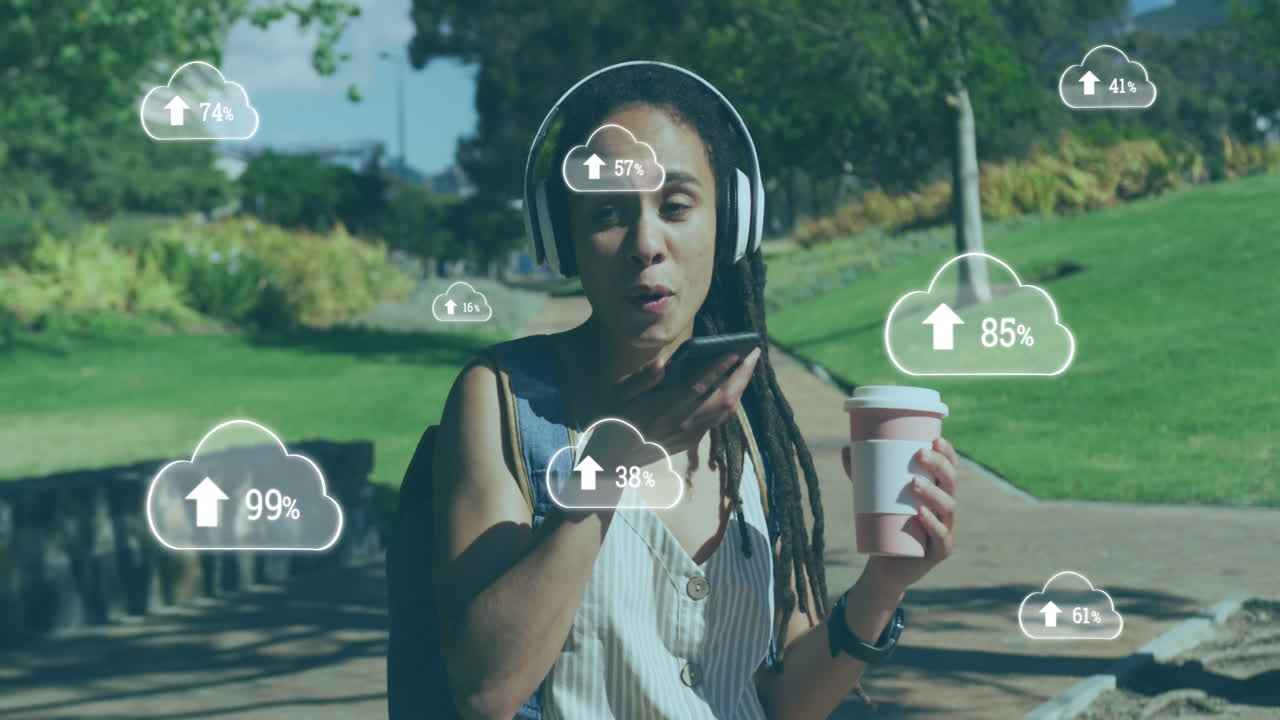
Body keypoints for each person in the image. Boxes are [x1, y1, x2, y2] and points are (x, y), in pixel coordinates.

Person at [430, 62, 960, 719]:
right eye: (605, 214)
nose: (645, 243)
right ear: (561, 235)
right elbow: (485, 689)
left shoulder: (746, 409)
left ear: (732, 220)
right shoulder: (504, 399)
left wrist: (882, 587)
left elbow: (782, 698)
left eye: (676, 206)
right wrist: (620, 461)